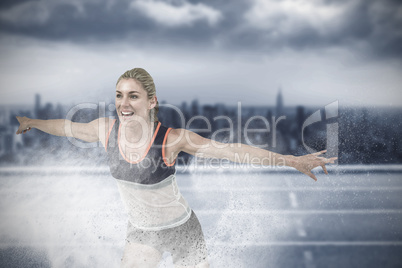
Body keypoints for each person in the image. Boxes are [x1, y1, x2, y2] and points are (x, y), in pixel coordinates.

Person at [16, 67, 337, 267]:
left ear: (151, 101)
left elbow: (230, 151)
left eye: (133, 96)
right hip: (141, 234)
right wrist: (32, 122)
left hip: (184, 230)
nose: (123, 104)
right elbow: (66, 127)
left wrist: (291, 161)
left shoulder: (172, 139)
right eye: (118, 96)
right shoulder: (104, 130)